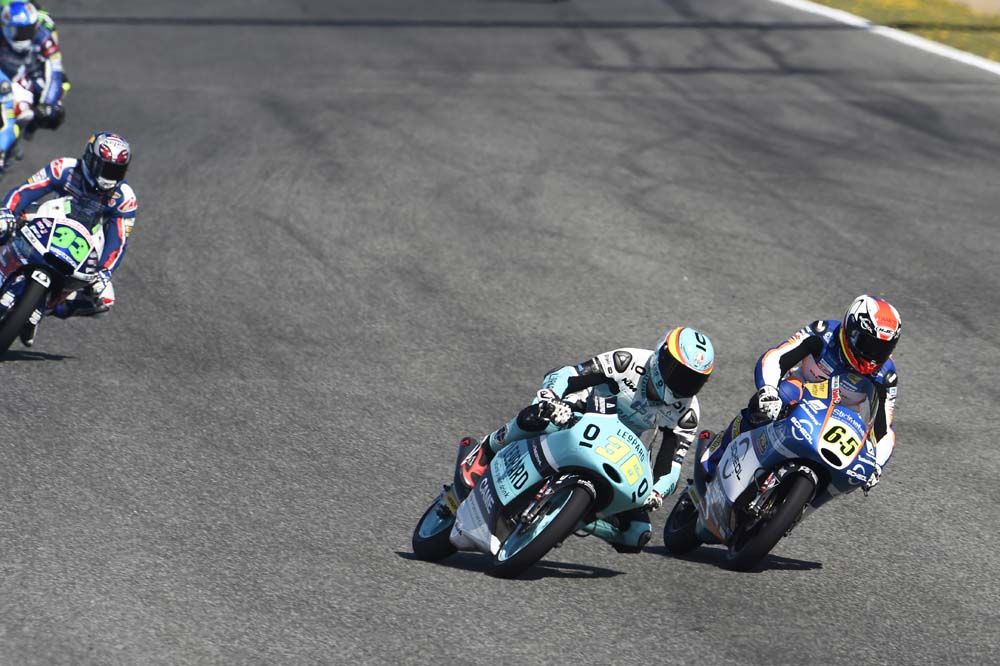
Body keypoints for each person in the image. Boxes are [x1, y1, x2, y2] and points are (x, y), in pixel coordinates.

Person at [466, 326, 716, 553]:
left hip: (619, 448)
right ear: (662, 357)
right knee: (539, 418)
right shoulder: (628, 361)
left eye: (694, 380)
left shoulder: (688, 411)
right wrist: (551, 398)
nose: (684, 385)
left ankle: (568, 519)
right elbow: (569, 374)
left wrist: (656, 492)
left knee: (637, 534)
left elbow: (672, 464)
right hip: (580, 414)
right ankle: (487, 449)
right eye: (680, 373)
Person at [702, 295, 900, 493]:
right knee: (778, 397)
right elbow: (777, 356)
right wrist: (768, 390)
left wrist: (877, 465)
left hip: (841, 420)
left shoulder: (886, 375)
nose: (873, 357)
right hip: (801, 392)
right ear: (851, 331)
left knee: (855, 471)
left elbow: (884, 430)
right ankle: (715, 455)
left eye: (883, 349)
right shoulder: (823, 333)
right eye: (868, 345)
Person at [0, 131, 135, 346]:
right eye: (105, 168)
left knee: (104, 301)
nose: (109, 176)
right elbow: (26, 190)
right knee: (4, 223)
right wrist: (8, 212)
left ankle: (49, 306)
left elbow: (118, 240)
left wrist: (104, 271)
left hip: (84, 244)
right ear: (91, 159)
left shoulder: (125, 198)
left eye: (116, 171)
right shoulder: (64, 168)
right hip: (49, 220)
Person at [0, 1, 65, 137]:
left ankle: (29, 126)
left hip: (30, 75)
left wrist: (47, 103)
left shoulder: (44, 37)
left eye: (28, 30)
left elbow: (55, 70)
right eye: (19, 32)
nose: (25, 36)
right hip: (4, 74)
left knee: (54, 112)